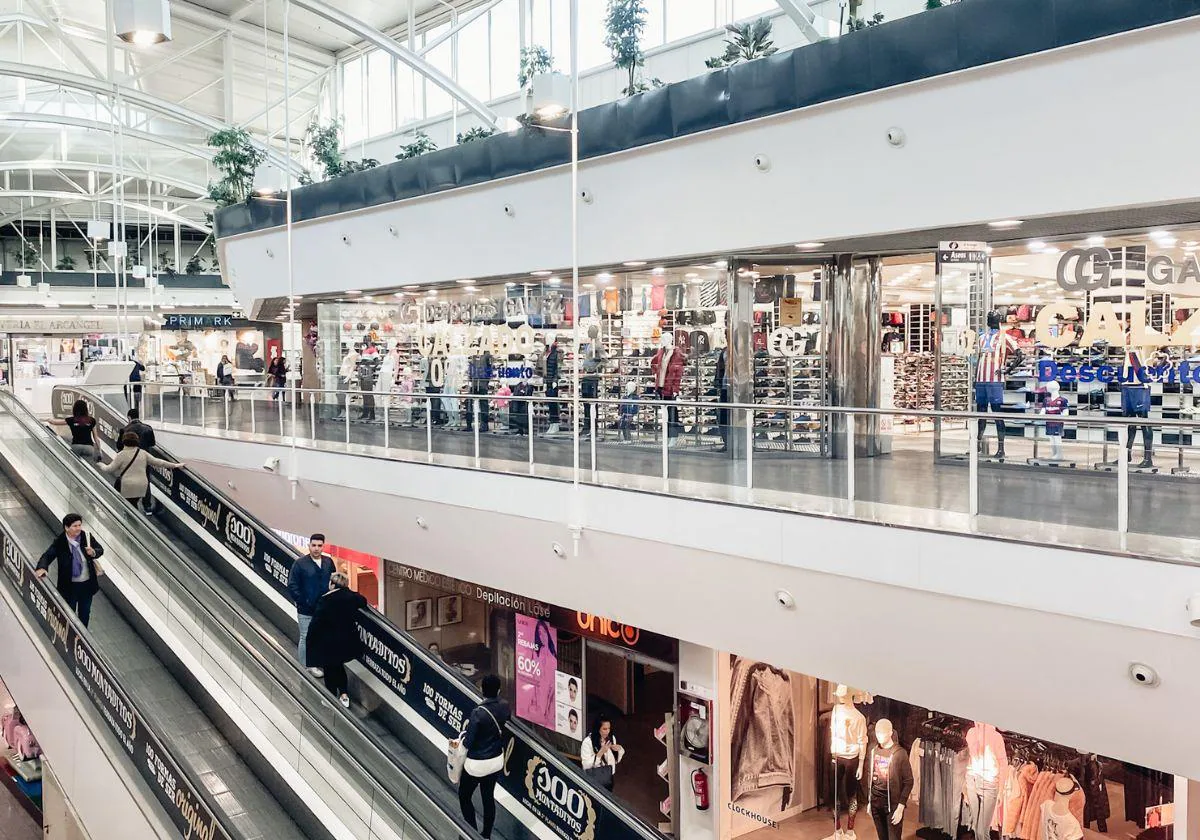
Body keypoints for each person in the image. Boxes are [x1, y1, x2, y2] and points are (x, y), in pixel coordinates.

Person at [457, 674, 510, 839]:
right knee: (488, 797)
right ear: (499, 690)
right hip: (496, 760)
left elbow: (469, 742)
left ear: (481, 690)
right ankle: (486, 835)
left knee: (464, 795)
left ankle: (472, 832)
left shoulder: (478, 713)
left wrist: (462, 739)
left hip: (477, 764)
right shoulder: (505, 706)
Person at [305, 571, 367, 709]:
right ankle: (344, 694)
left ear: (332, 584)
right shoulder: (351, 597)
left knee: (329, 668)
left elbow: (316, 622)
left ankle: (330, 696)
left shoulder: (325, 600)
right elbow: (363, 601)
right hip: (345, 641)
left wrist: (310, 640)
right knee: (339, 665)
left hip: (327, 642)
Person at [34, 514, 104, 627]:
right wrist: (42, 567)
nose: (78, 528)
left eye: (80, 525)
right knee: (68, 614)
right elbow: (48, 555)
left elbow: (100, 549)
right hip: (69, 587)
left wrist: (94, 552)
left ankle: (82, 638)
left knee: (85, 614)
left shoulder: (86, 537)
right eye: (75, 526)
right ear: (66, 528)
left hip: (86, 586)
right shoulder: (60, 542)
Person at [287, 533, 334, 672]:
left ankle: (319, 661)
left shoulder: (328, 562)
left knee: (321, 636)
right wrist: (303, 601)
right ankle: (305, 665)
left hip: (324, 609)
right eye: (313, 545)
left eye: (319, 546)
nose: (316, 548)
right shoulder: (300, 564)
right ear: (309, 546)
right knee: (305, 636)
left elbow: (333, 581)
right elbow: (292, 585)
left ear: (323, 547)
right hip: (306, 609)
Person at [100, 432, 185, 508]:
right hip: (141, 485)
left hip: (128, 485)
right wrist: (175, 465)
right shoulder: (143, 453)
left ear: (124, 441)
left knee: (130, 506)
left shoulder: (121, 455)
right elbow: (159, 462)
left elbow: (109, 469)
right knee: (133, 504)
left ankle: (131, 523)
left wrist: (100, 464)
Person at [120, 408, 158, 514]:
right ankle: (147, 506)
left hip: (129, 459)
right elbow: (152, 443)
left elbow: (119, 446)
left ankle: (130, 505)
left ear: (129, 418)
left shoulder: (125, 429)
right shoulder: (148, 428)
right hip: (144, 459)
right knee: (146, 481)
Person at [580, 715, 624, 791]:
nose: (607, 731)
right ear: (598, 729)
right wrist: (600, 753)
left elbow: (616, 761)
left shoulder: (611, 738)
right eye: (604, 729)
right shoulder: (588, 742)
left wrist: (619, 750)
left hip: (608, 777)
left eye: (609, 728)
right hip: (594, 778)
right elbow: (585, 765)